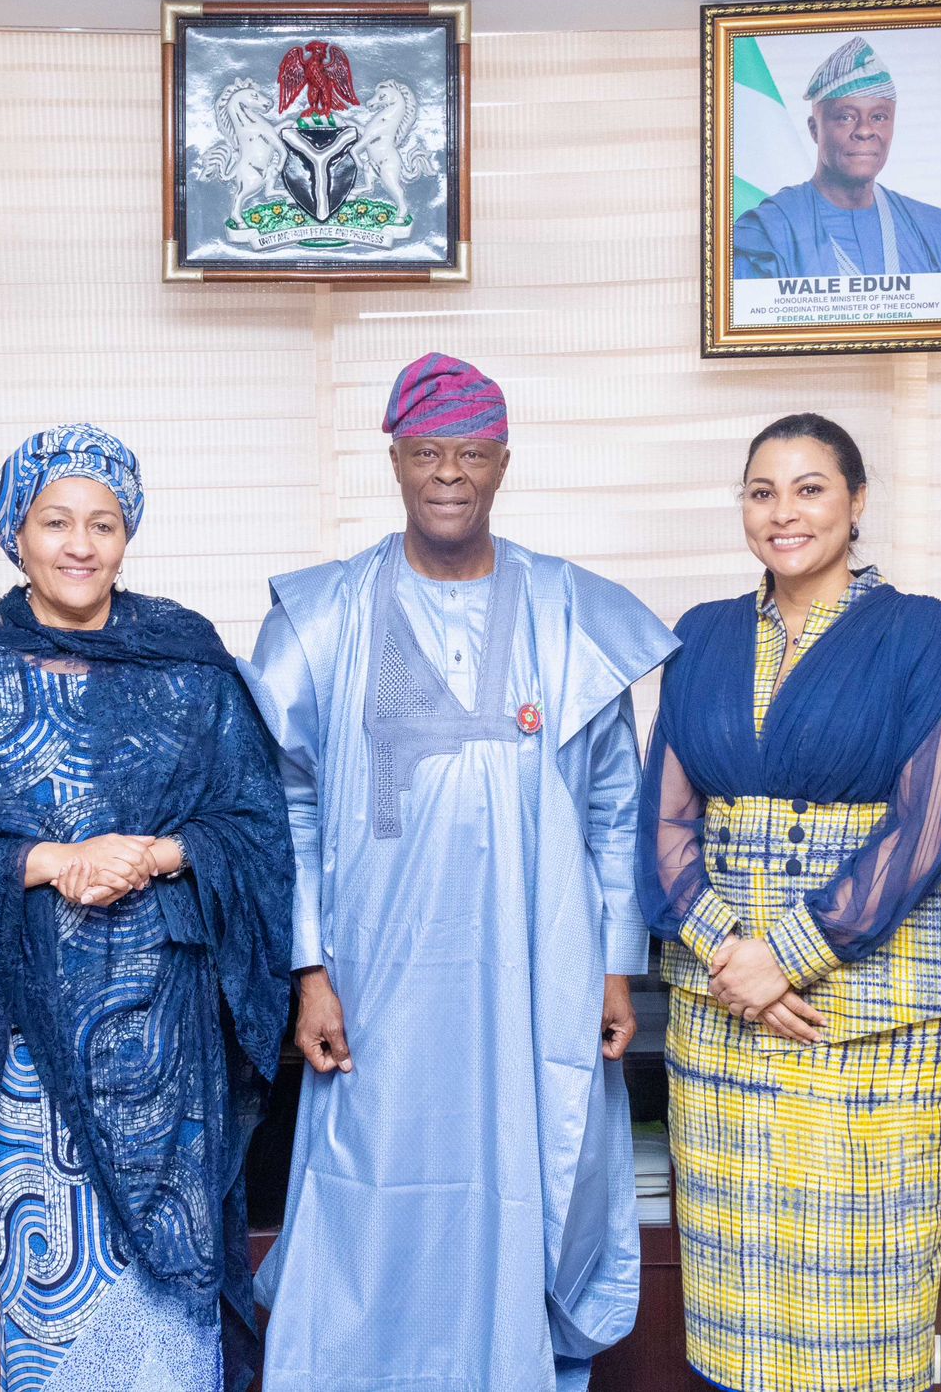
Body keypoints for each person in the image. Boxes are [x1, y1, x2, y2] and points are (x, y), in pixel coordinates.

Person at [246, 353, 677, 1392]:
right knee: (373, 1175)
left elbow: (616, 799)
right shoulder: (323, 615)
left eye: (471, 453)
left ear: (502, 463)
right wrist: (308, 968)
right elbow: (284, 804)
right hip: (375, 972)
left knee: (528, 1161)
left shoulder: (567, 608)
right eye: (427, 451)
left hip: (537, 964)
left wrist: (616, 964)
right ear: (392, 459)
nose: (449, 473)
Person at [0, 424, 293, 1392]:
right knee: (51, 1291)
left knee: (174, 1293)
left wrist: (161, 853)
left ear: (127, 532)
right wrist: (53, 861)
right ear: (12, 530)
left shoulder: (184, 658)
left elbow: (257, 823)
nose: (79, 543)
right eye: (54, 520)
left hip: (170, 1046)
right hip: (35, 1052)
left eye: (102, 522)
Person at [639, 413, 941, 1392]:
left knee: (858, 1311)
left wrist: (782, 951)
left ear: (856, 501)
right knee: (737, 1308)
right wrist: (725, 952)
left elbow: (925, 822)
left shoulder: (919, 634)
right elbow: (661, 822)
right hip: (720, 1013)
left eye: (808, 487)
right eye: (760, 490)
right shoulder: (699, 634)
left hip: (865, 1011)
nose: (781, 512)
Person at [732, 36, 941, 280]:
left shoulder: (937, 232)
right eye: (846, 117)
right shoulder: (770, 233)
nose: (865, 130)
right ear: (814, 129)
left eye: (879, 117)